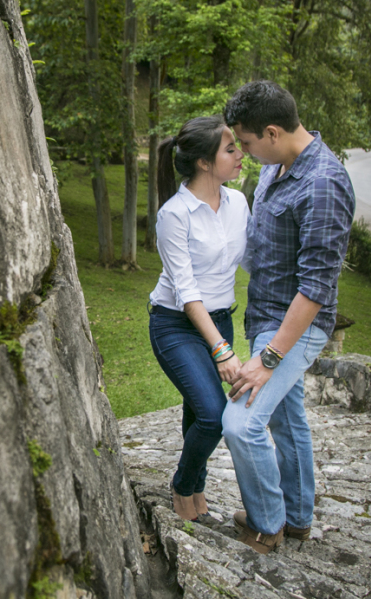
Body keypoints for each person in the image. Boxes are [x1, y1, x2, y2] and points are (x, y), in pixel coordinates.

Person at [221, 81, 355, 554]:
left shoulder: (323, 183)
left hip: (293, 328)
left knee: (241, 422)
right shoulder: (277, 168)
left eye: (249, 143)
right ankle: (297, 518)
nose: (247, 152)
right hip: (266, 318)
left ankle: (267, 524)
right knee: (288, 420)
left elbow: (316, 288)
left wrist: (269, 358)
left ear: (273, 132)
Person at [148, 116, 251, 521]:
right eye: (230, 149)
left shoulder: (238, 202)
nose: (240, 153)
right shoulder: (175, 215)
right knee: (214, 414)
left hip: (220, 318)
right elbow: (187, 293)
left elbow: (250, 260)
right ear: (205, 163)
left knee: (199, 412)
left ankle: (195, 490)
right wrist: (222, 350)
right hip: (176, 324)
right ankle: (182, 485)